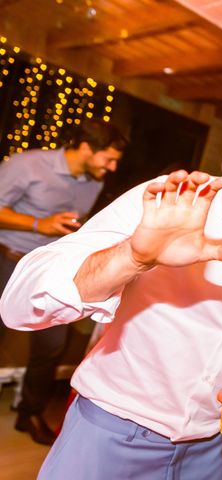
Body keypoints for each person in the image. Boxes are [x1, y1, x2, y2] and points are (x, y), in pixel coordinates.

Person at [0, 71, 222, 479]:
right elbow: (20, 305)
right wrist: (133, 257)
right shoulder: (177, 203)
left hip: (210, 453)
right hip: (110, 435)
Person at [0, 118, 127, 445]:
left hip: (50, 274)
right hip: (7, 258)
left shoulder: (93, 182)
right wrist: (38, 224)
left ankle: (30, 412)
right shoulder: (27, 164)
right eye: (108, 159)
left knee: (52, 346)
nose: (111, 167)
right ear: (86, 148)